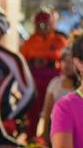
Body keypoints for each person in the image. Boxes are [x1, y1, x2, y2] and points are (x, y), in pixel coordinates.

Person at [20, 9, 68, 139]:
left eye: (46, 24)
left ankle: (53, 139)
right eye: (40, 24)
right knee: (33, 113)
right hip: (34, 81)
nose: (43, 27)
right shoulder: (29, 42)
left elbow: (66, 59)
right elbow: (23, 62)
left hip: (53, 80)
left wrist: (49, 60)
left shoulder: (60, 40)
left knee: (57, 112)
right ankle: (31, 141)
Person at [39, 47, 77, 142]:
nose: (67, 65)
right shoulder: (55, 83)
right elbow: (46, 111)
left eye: (71, 61)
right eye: (65, 61)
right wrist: (44, 133)